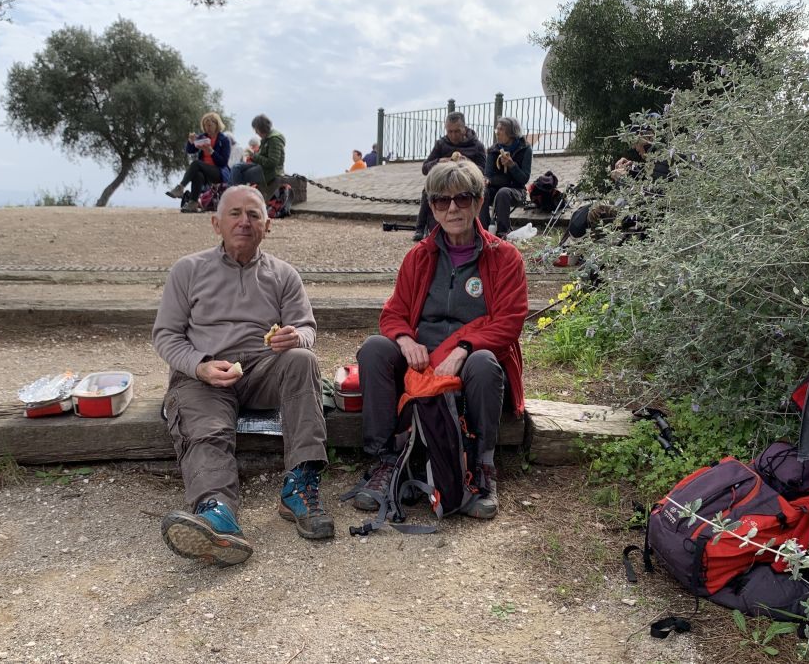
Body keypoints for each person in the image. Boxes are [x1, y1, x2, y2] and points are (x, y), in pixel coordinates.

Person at [153, 185, 334, 567]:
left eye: (254, 215)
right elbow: (166, 335)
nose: (244, 222)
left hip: (263, 366)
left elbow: (306, 326)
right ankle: (217, 514)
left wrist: (294, 336)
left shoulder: (283, 275)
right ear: (216, 223)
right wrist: (199, 364)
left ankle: (299, 484)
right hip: (202, 373)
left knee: (302, 359)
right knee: (207, 427)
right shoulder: (188, 270)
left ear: (268, 226)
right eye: (235, 214)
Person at [354, 160, 529, 520]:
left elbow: (509, 322)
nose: (452, 209)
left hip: (471, 363)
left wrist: (464, 348)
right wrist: (404, 340)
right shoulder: (419, 257)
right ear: (431, 207)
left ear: (479, 201)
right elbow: (394, 313)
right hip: (423, 362)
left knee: (483, 362)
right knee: (374, 349)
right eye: (441, 201)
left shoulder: (504, 257)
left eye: (462, 199)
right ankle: (386, 460)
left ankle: (481, 468)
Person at [412, 112, 486, 242]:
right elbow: (425, 168)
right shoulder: (441, 144)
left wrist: (468, 163)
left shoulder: (476, 146)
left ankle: (481, 229)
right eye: (449, 131)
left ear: (464, 128)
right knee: (428, 192)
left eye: (457, 131)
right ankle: (421, 227)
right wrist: (439, 161)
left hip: (467, 184)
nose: (453, 135)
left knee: (483, 193)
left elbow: (484, 171)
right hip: (445, 183)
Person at [479, 117, 533, 239]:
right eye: (497, 129)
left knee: (503, 192)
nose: (497, 132)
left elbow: (524, 179)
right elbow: (488, 175)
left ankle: (503, 233)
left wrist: (512, 165)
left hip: (516, 190)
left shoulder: (525, 149)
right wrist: (486, 180)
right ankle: (482, 231)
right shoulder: (493, 150)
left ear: (511, 132)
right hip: (495, 189)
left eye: (501, 129)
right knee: (483, 191)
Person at [166, 112, 231, 200]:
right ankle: (193, 203)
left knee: (196, 163)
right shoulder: (203, 137)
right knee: (197, 174)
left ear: (217, 125)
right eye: (205, 126)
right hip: (204, 170)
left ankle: (180, 187)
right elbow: (190, 151)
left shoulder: (224, 140)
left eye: (209, 125)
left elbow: (223, 163)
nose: (207, 128)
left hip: (219, 172)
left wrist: (211, 151)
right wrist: (190, 142)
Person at [231, 114, 285, 199]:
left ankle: (236, 198)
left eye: (256, 129)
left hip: (270, 171)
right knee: (236, 167)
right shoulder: (267, 138)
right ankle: (235, 196)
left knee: (240, 174)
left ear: (261, 128)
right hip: (262, 166)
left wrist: (254, 155)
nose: (255, 132)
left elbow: (272, 162)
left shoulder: (274, 140)